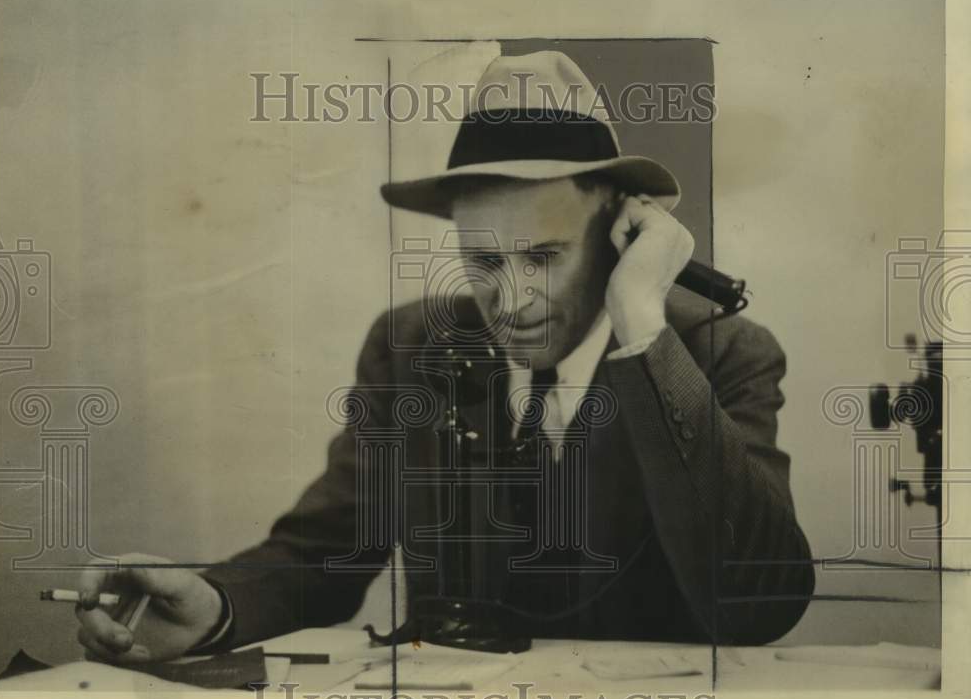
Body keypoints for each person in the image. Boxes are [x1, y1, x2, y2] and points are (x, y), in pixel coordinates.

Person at [74, 51, 814, 663]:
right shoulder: (413, 352)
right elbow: (325, 551)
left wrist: (644, 326)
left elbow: (758, 602)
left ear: (620, 229)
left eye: (545, 255)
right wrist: (213, 608)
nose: (513, 298)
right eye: (482, 258)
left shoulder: (723, 356)